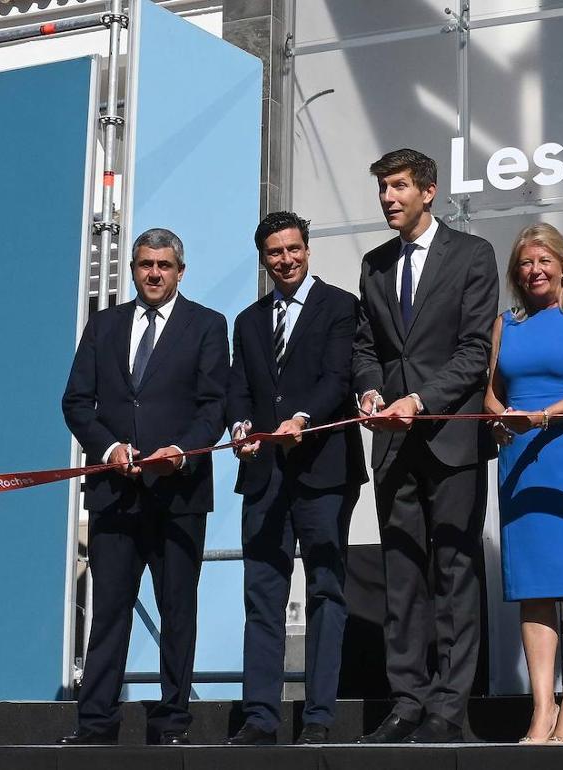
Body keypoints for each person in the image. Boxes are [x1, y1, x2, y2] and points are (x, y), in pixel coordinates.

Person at [59, 228, 229, 745]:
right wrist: (109, 449)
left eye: (164, 265)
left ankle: (172, 723)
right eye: (144, 264)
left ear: (181, 270)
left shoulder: (206, 325)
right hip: (115, 494)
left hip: (178, 495)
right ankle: (95, 723)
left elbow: (214, 406)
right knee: (108, 611)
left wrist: (181, 451)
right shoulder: (104, 326)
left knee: (178, 611)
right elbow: (76, 402)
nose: (154, 273)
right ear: (132, 269)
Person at [351, 148, 499, 743]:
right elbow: (367, 347)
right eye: (383, 188)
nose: (388, 198)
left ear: (428, 192)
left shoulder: (473, 255)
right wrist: (368, 392)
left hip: (449, 436)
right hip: (392, 443)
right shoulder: (374, 264)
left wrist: (418, 399)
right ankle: (407, 699)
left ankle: (449, 706)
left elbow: (472, 352)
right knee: (402, 574)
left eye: (399, 187)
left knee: (456, 571)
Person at [224, 212, 366, 746]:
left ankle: (319, 717)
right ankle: (260, 716)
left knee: (327, 590)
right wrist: (241, 427)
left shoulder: (339, 307)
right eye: (274, 253)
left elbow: (338, 379)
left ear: (308, 249)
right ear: (263, 259)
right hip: (263, 474)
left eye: (293, 249)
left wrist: (302, 418)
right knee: (261, 596)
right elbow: (239, 389)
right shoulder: (249, 320)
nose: (285, 260)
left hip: (323, 470)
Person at [483, 224, 563, 745]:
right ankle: (542, 709)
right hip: (518, 457)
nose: (533, 271)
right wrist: (500, 418)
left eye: (542, 261)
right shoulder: (505, 323)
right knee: (533, 587)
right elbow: (490, 392)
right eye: (524, 264)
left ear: (562, 265)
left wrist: (541, 416)